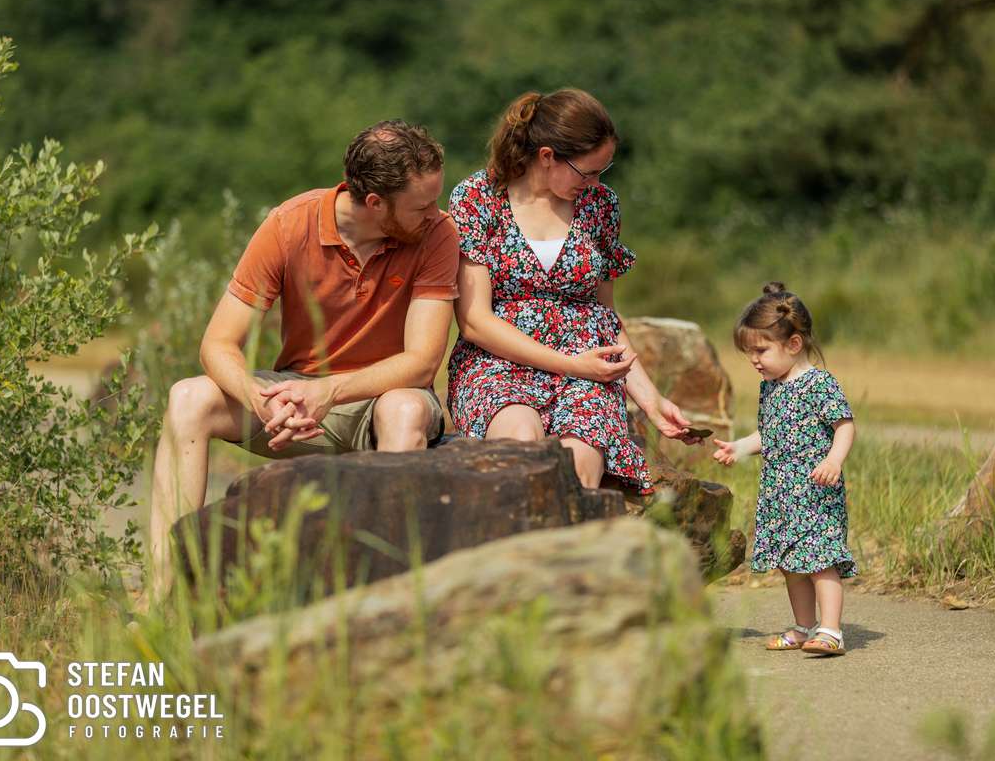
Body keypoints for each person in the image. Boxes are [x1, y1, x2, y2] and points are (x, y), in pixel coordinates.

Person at [146, 120, 459, 600]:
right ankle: (159, 600)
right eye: (421, 205)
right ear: (375, 203)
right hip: (292, 401)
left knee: (406, 407)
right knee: (187, 398)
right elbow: (218, 344)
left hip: (378, 403)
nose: (435, 213)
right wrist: (262, 398)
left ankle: (389, 602)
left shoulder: (436, 234)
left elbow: (420, 363)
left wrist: (328, 392)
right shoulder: (290, 224)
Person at [446, 88, 698, 492]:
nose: (596, 182)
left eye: (603, 170)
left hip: (587, 368)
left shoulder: (600, 206)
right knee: (519, 441)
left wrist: (651, 402)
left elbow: (606, 318)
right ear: (547, 157)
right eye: (588, 172)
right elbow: (475, 321)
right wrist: (569, 363)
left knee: (582, 461)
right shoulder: (478, 198)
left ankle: (570, 553)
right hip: (498, 363)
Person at [712, 282, 857, 656]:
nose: (755, 360)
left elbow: (844, 425)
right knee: (791, 564)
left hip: (815, 493)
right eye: (749, 353)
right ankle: (803, 626)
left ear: (793, 344)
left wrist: (834, 460)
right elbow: (770, 434)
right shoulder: (771, 387)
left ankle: (831, 630)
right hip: (781, 494)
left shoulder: (818, 384)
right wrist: (740, 447)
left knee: (821, 560)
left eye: (761, 350)